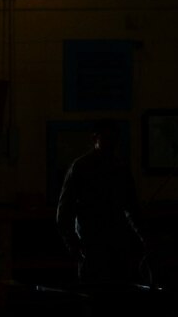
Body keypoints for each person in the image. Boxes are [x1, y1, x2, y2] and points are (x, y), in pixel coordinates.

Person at [55, 121, 149, 284]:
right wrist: (75, 246)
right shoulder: (81, 167)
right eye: (107, 138)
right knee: (95, 295)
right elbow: (64, 213)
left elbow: (132, 208)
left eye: (114, 139)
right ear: (95, 139)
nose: (111, 143)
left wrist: (145, 238)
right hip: (91, 245)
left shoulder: (120, 168)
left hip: (117, 245)